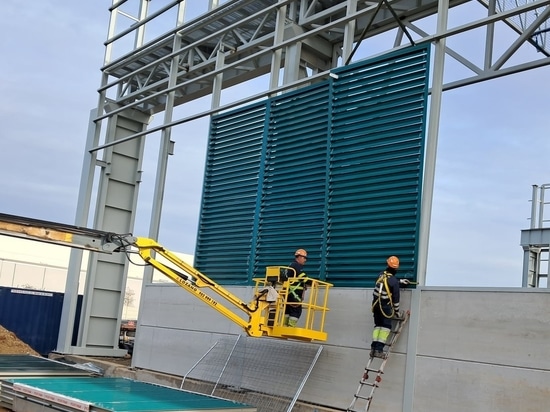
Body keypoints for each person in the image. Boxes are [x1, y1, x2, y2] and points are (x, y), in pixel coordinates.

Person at [370, 255, 410, 358]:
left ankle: (373, 349)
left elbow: (387, 282)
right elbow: (396, 299)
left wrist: (400, 281)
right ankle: (379, 350)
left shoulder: (380, 275)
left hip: (375, 306)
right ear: (396, 268)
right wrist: (396, 312)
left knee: (377, 326)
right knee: (385, 328)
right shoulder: (393, 282)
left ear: (387, 265)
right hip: (385, 308)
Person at [283, 248, 309, 327]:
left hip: (288, 293)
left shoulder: (291, 265)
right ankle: (290, 326)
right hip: (294, 295)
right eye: (304, 258)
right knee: (296, 311)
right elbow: (302, 277)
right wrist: (312, 282)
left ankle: (285, 326)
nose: (305, 260)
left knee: (287, 310)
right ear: (300, 257)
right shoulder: (297, 266)